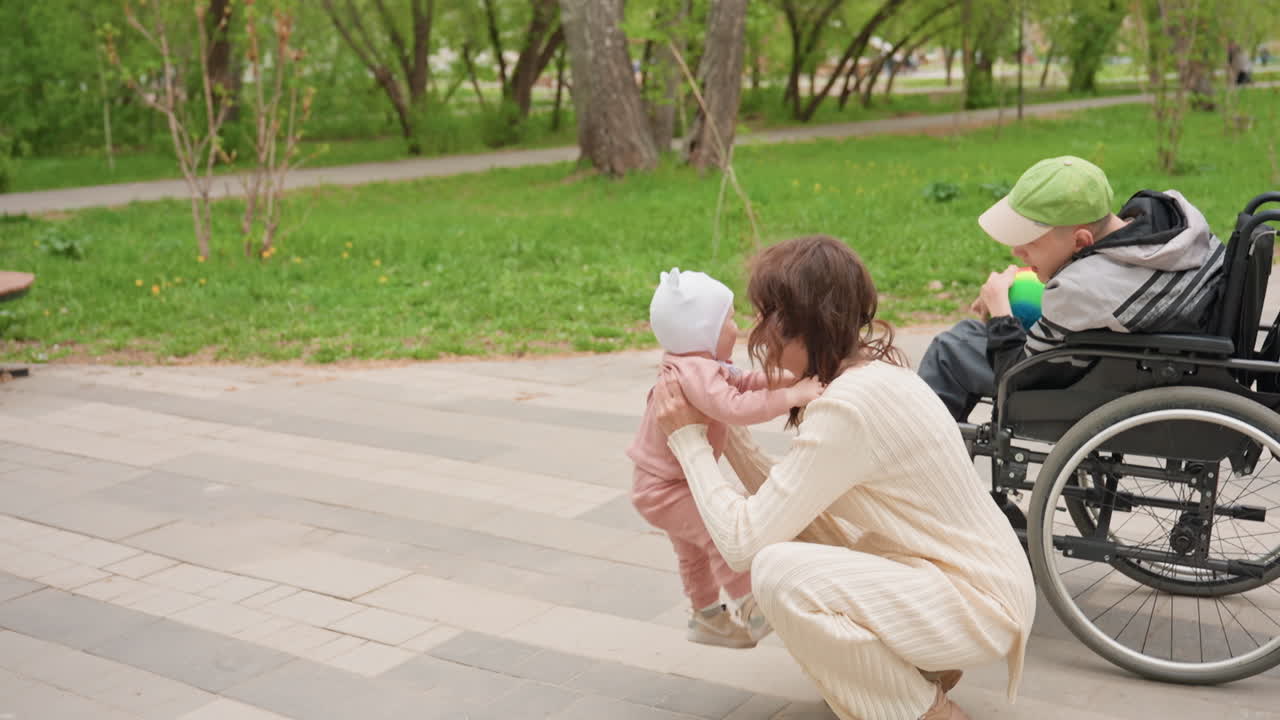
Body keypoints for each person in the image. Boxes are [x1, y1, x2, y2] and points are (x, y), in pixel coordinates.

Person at [653, 237, 1035, 720]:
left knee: (777, 572)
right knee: (794, 535)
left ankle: (926, 711)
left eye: (762, 316)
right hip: (968, 583)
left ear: (800, 324)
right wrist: (718, 425)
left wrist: (688, 441)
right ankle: (915, 672)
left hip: (976, 604)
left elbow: (741, 543)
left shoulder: (849, 407)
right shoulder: (868, 377)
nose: (755, 333)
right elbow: (783, 508)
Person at [919, 155, 1225, 422]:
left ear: (1081, 241)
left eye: (1030, 241)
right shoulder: (1177, 228)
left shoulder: (1078, 288)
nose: (1016, 251)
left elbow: (1013, 379)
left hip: (1092, 385)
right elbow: (1097, 297)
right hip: (1162, 359)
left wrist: (999, 308)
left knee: (953, 347)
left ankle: (926, 467)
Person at [628, 268, 824, 649]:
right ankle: (752, 604)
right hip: (665, 487)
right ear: (705, 329)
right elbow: (733, 405)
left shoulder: (694, 364)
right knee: (718, 537)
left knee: (693, 550)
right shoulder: (696, 371)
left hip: (660, 484)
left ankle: (706, 618)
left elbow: (739, 380)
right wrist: (792, 396)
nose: (738, 327)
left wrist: (778, 378)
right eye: (730, 319)